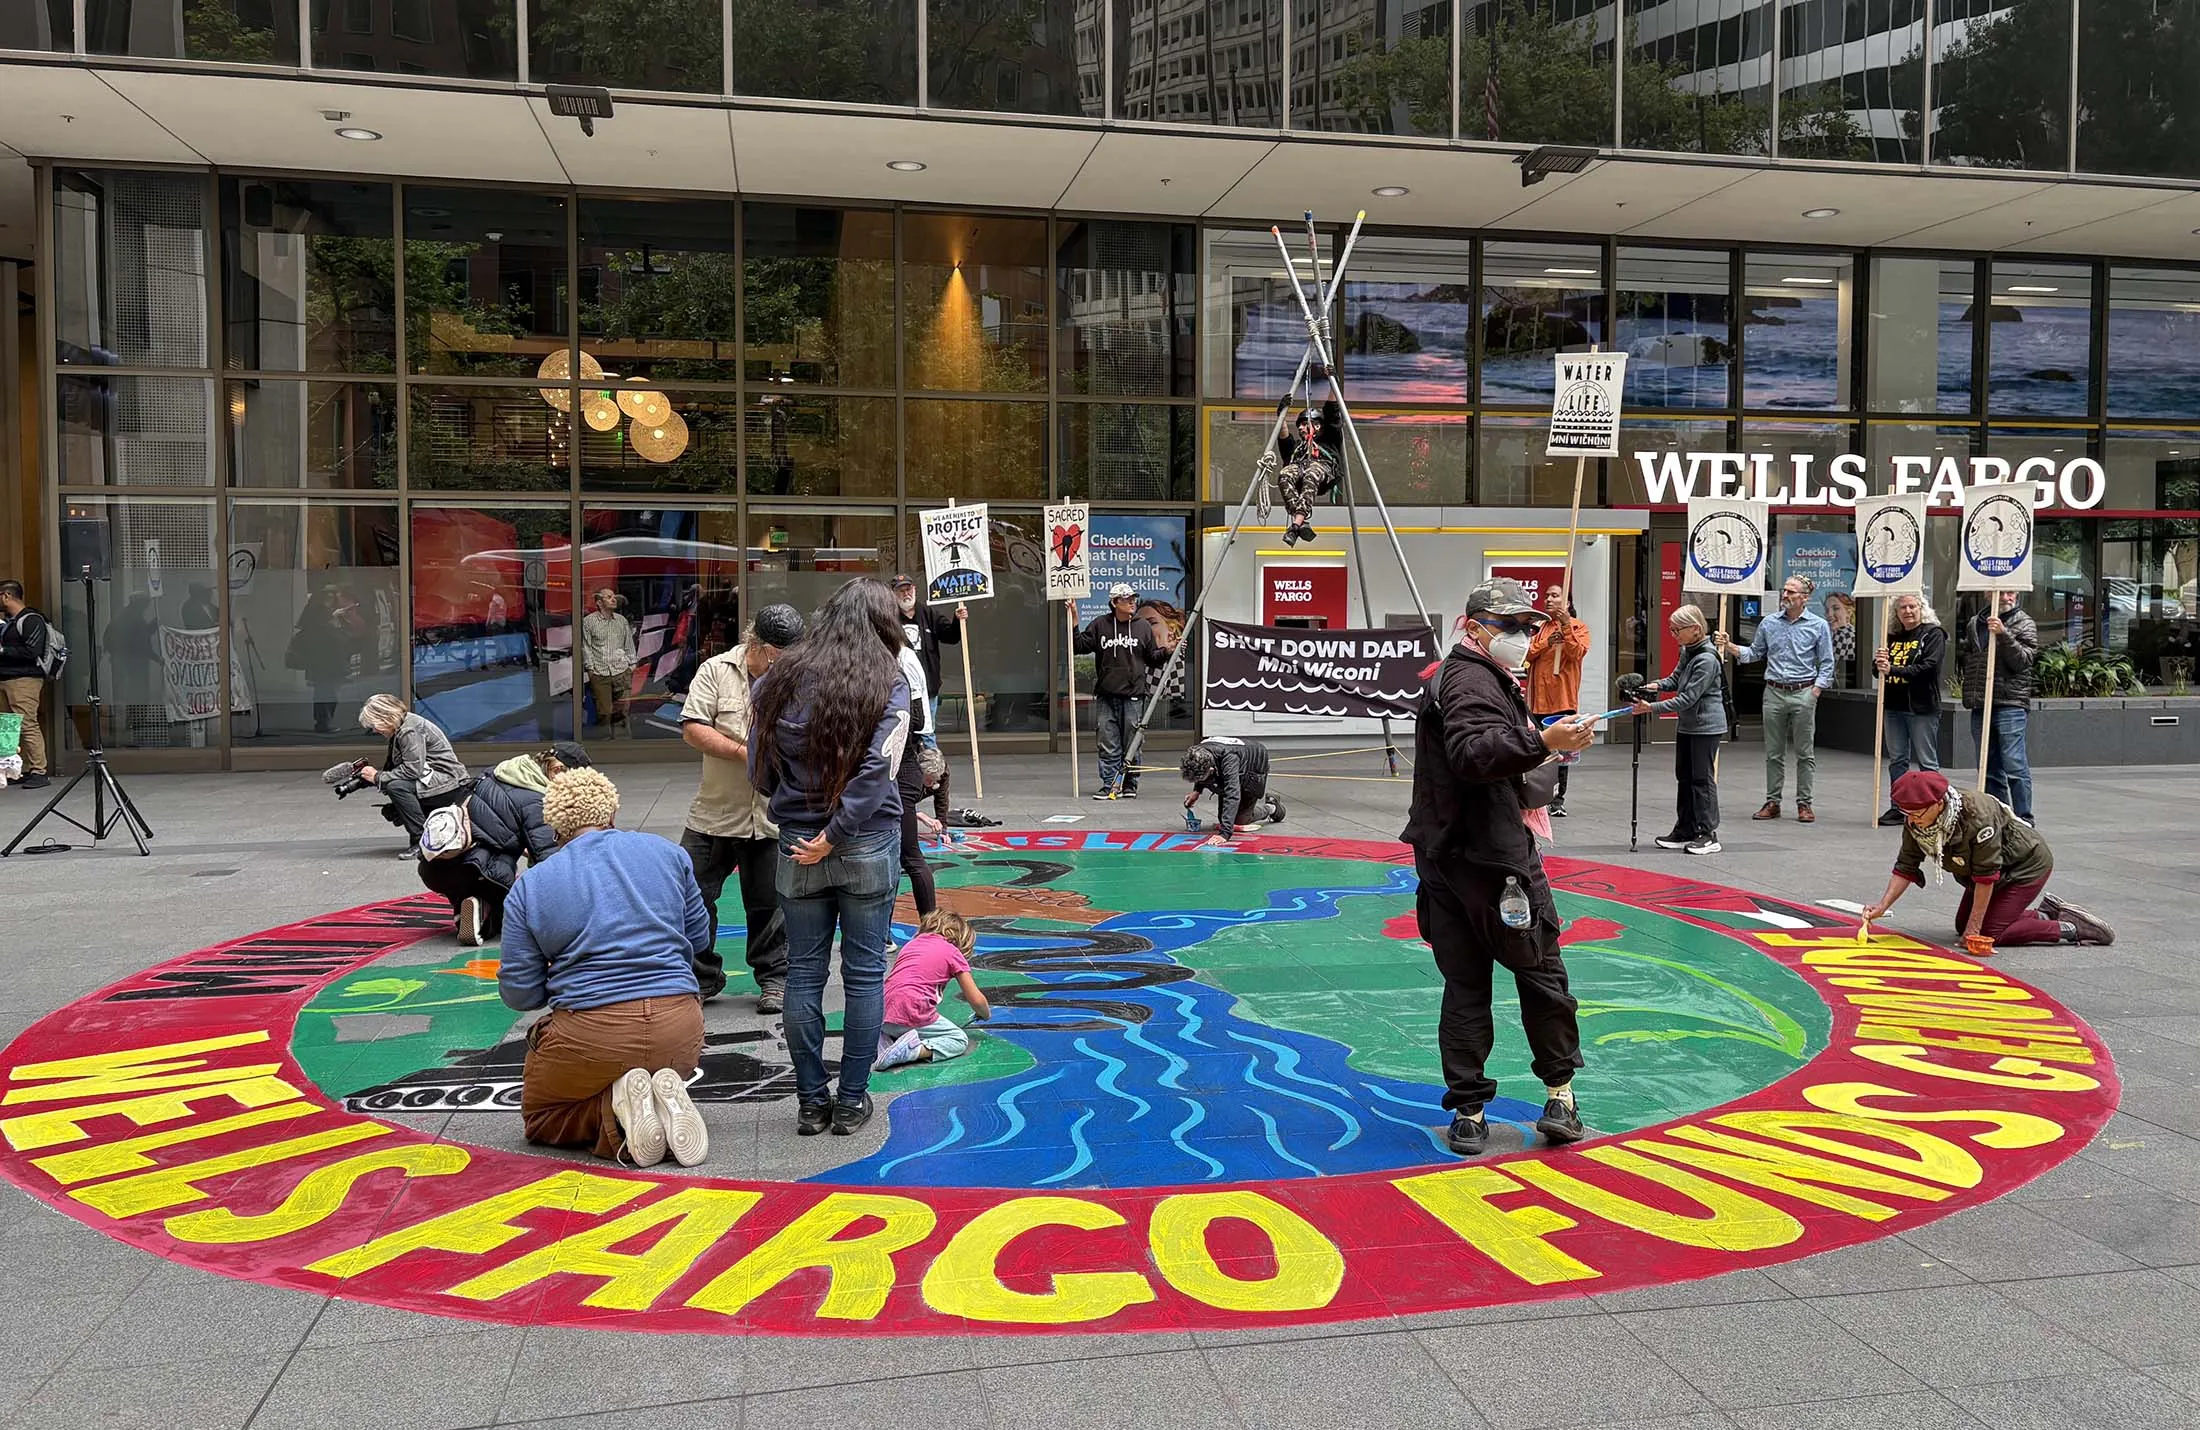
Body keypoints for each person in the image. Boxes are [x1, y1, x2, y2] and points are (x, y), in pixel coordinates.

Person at [1401, 577, 1593, 1157]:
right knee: (1541, 977)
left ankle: (1470, 1109)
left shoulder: (1469, 676)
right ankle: (1558, 1093)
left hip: (1447, 854)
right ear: (1475, 627)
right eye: (1510, 625)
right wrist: (1542, 742)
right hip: (1492, 861)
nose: (1522, 634)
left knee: (1465, 986)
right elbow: (1472, 753)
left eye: (1529, 626)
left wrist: (1540, 741)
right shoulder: (1471, 680)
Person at [749, 577, 913, 1139]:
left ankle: (810, 1102)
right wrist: (839, 830)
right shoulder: (889, 680)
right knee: (865, 975)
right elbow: (880, 766)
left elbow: (759, 766)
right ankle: (850, 1101)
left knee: (803, 973)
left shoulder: (777, 677)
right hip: (866, 838)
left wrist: (806, 821)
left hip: (797, 838)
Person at [498, 768, 713, 1167]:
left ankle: (615, 1114)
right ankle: (658, 1097)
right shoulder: (669, 854)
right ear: (612, 813)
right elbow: (699, 937)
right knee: (660, 1048)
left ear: (554, 828)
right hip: (679, 1025)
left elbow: (520, 993)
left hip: (590, 1033)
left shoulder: (531, 885)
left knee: (543, 1117)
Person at [679, 604, 806, 1010]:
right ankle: (701, 977)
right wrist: (746, 753)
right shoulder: (715, 670)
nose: (787, 660)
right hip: (715, 809)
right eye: (781, 653)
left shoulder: (797, 678)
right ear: (761, 646)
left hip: (771, 813)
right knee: (693, 894)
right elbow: (693, 729)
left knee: (770, 903)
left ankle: (774, 979)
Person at [1859, 770, 2113, 956]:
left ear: (1938, 804)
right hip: (1982, 874)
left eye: (1916, 814)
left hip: (2024, 867)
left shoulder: (1977, 816)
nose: (1912, 821)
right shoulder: (1917, 821)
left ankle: (2072, 927)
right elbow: (1906, 865)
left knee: (1989, 934)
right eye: (1907, 814)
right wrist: (1882, 906)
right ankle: (2045, 913)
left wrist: (1976, 927)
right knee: (1962, 927)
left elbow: (1986, 874)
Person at [417, 741, 591, 946]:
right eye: (574, 782)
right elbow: (550, 860)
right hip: (478, 869)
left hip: (435, 863)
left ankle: (463, 910)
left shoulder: (501, 771)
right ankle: (484, 916)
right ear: (557, 771)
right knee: (508, 910)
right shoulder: (537, 800)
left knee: (473, 869)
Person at [1719, 574, 1834, 823]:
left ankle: (1805, 803)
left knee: (1805, 752)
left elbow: (1827, 663)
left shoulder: (1818, 625)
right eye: (1784, 591)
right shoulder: (1769, 623)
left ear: (1805, 598)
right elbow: (1755, 653)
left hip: (1803, 691)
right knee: (1773, 752)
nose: (1785, 595)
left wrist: (1816, 691)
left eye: (1792, 592)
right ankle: (1773, 801)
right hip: (1773, 692)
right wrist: (1730, 646)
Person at [1634, 604, 1727, 856]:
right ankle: (1685, 828)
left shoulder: (1707, 659)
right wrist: (1654, 685)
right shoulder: (1688, 650)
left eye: (1677, 630)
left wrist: (1650, 707)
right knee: (1684, 777)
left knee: (1701, 779)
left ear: (1695, 629)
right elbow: (1675, 679)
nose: (1673, 635)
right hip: (1688, 725)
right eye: (1671, 630)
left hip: (1706, 727)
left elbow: (1688, 698)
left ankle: (1708, 833)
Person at [1070, 583, 1176, 800]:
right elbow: (1079, 646)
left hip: (1134, 695)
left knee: (1133, 743)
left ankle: (1129, 784)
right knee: (1107, 742)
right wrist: (1073, 617)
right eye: (1127, 599)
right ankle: (1109, 784)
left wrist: (1167, 651)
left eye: (1133, 599)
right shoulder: (1100, 624)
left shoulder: (1142, 627)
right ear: (1114, 602)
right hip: (1107, 694)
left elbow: (1151, 659)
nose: (1132, 603)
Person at [874, 909, 993, 1070]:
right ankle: (912, 1050)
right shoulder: (952, 952)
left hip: (882, 1012)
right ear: (958, 940)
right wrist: (984, 1014)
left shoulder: (912, 944)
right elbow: (976, 999)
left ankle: (886, 1039)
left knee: (907, 1018)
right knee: (958, 1040)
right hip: (911, 1009)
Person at [356, 694, 469, 857]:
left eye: (374, 725)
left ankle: (421, 841)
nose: (374, 730)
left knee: (397, 787)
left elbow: (412, 770)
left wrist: (378, 777)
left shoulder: (409, 730)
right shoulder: (401, 726)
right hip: (436, 779)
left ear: (386, 717)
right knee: (395, 786)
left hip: (448, 783)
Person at [1962, 590, 2038, 827]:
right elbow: (1970, 657)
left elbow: (2023, 660)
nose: (2007, 597)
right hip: (1981, 703)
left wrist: (2003, 635)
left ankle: (2024, 819)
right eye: (2002, 592)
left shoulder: (2023, 622)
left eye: (2011, 592)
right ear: (1988, 593)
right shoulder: (1976, 622)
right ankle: (2000, 816)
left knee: (2014, 764)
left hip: (2009, 703)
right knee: (1988, 766)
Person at [1522, 581, 1591, 817]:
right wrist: (1546, 643)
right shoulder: (1539, 628)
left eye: (1554, 595)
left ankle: (1557, 799)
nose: (1548, 599)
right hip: (1536, 699)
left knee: (1563, 752)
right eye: (1547, 595)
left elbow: (1577, 652)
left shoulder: (1578, 627)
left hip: (1562, 700)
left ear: (1567, 603)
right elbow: (1526, 654)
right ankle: (1536, 793)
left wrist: (1565, 626)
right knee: (1537, 748)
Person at [1876, 594, 1946, 826]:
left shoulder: (1933, 634)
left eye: (1912, 606)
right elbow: (1879, 672)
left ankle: (1934, 807)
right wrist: (1880, 665)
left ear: (1921, 608)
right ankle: (1899, 807)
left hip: (1921, 707)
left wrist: (1894, 669)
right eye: (1902, 608)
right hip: (1894, 706)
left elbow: (1929, 667)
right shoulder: (1891, 636)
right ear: (1896, 613)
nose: (1908, 611)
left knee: (1927, 761)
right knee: (1897, 760)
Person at [895, 623, 939, 919]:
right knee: (897, 855)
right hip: (897, 763)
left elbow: (917, 717)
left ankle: (931, 925)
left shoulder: (901, 659)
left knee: (908, 855)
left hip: (900, 762)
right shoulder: (898, 658)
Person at [891, 574, 963, 749]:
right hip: (899, 687)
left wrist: (957, 620)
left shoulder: (929, 613)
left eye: (908, 589)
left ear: (914, 589)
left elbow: (951, 636)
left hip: (927, 687)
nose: (905, 594)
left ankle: (933, 771)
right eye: (901, 591)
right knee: (901, 732)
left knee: (927, 732)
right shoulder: (888, 618)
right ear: (893, 594)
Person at [287, 584, 363, 736]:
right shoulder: (318, 613)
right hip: (322, 658)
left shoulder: (326, 613)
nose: (331, 599)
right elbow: (317, 630)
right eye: (328, 596)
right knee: (326, 691)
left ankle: (324, 721)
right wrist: (334, 617)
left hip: (331, 657)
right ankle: (323, 722)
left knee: (328, 691)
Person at [0, 579, 54, 790]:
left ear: (6, 596)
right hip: (5, 678)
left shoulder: (32, 620)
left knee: (27, 724)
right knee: (7, 725)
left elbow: (33, 652)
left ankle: (39, 771)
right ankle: (14, 769)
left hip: (24, 680)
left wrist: (3, 651)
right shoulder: (9, 622)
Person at [1180, 735, 1284, 839]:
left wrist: (1224, 834)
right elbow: (1198, 771)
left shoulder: (1229, 759)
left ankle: (1272, 807)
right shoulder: (1197, 754)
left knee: (1240, 820)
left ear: (1211, 770)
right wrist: (1196, 791)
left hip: (1254, 766)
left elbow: (1232, 795)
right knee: (1225, 818)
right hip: (1235, 761)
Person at [1274, 397, 1342, 546]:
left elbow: (1331, 410)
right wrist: (1281, 414)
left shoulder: (1328, 440)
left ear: (1317, 426)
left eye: (1305, 424)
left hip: (1323, 471)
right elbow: (1284, 436)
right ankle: (1299, 522)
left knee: (1312, 471)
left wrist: (1331, 376)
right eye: (1299, 425)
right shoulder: (1297, 449)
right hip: (1301, 473)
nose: (1300, 428)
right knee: (1285, 474)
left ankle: (1295, 526)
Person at [582, 589, 637, 738]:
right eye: (609, 597)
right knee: (604, 712)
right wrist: (590, 669)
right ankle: (605, 743)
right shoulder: (589, 622)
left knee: (622, 711)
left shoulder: (621, 620)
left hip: (621, 670)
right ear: (599, 603)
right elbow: (586, 647)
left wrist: (632, 665)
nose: (613, 599)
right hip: (600, 672)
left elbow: (628, 644)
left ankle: (621, 743)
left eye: (614, 597)